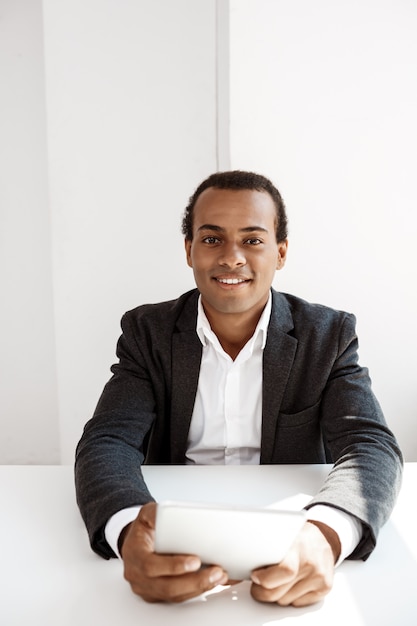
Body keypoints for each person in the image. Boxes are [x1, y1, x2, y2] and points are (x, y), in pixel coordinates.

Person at [75, 170, 402, 607]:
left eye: (252, 240)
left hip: (288, 527)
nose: (231, 257)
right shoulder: (147, 332)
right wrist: (130, 528)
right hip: (178, 523)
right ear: (189, 250)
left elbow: (369, 444)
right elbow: (108, 440)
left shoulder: (328, 335)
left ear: (280, 252)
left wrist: (326, 535)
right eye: (212, 240)